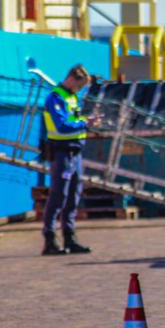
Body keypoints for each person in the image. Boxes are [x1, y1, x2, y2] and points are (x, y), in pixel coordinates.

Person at [41, 65, 101, 256]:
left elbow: (72, 119)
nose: (80, 90)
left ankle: (70, 239)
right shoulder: (56, 97)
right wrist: (86, 123)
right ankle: (49, 240)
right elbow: (62, 126)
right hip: (62, 152)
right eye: (80, 86)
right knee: (58, 195)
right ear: (72, 79)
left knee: (73, 196)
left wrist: (85, 121)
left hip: (74, 153)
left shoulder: (71, 97)